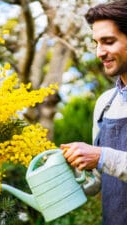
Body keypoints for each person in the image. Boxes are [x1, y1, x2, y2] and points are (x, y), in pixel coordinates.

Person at [60, 1, 127, 225]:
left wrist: (100, 156)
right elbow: (100, 180)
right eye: (96, 43)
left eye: (108, 42)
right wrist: (65, 176)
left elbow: (104, 160)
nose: (100, 52)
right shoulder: (105, 104)